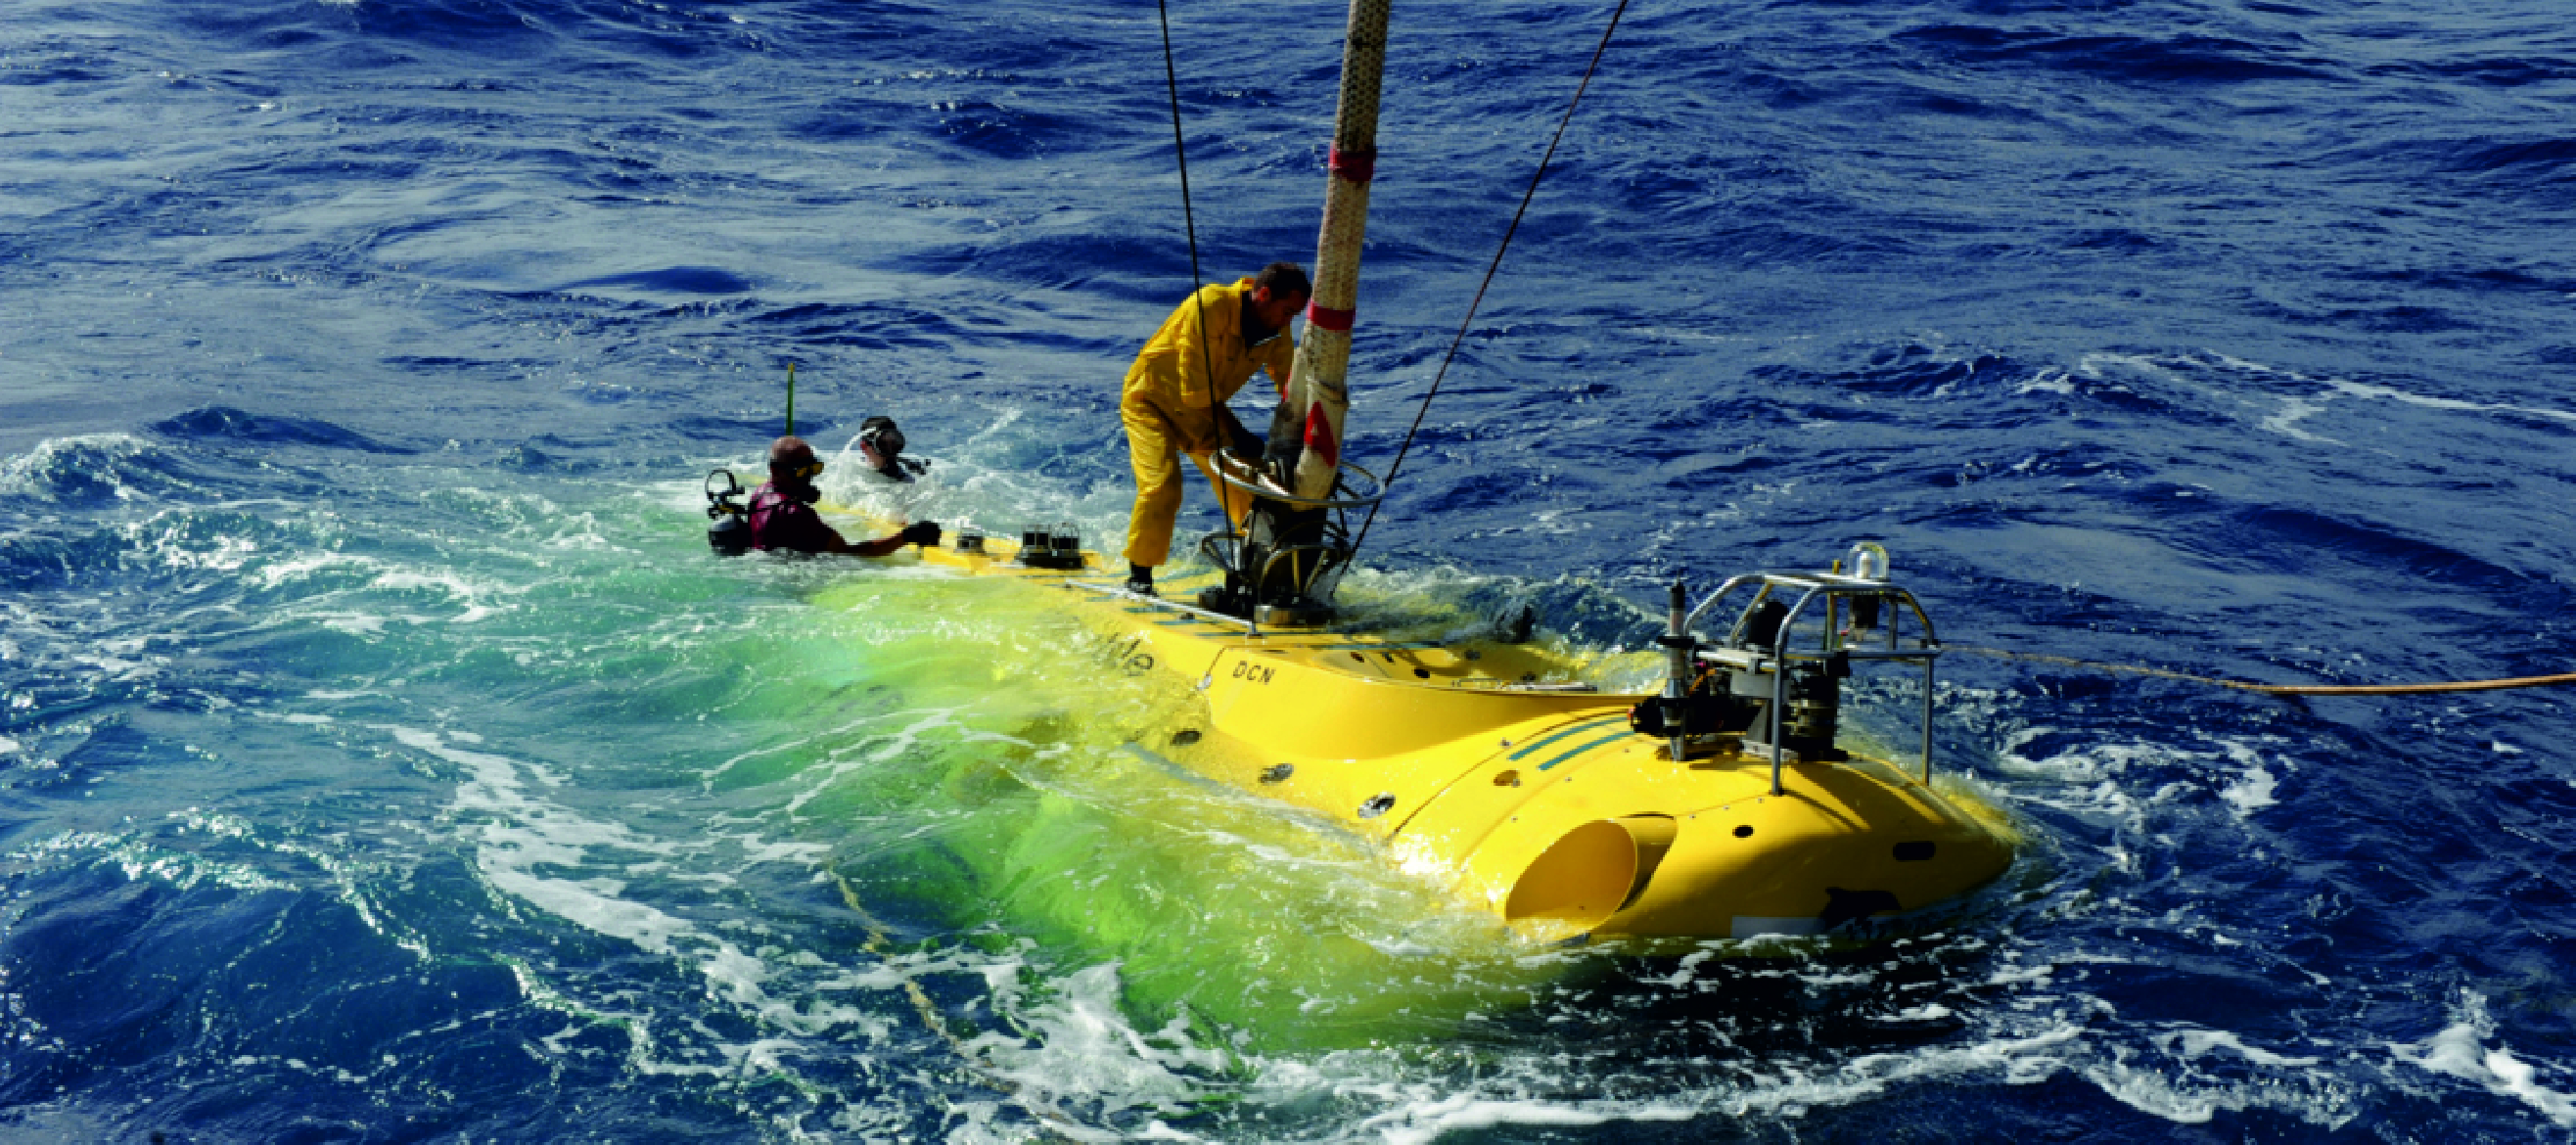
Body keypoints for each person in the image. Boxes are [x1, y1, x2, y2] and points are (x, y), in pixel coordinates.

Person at [1119, 261, 1309, 596]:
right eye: (1287, 311)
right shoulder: (1209, 305)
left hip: (1204, 415)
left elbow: (1288, 384)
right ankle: (1140, 576)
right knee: (1162, 485)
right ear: (1263, 294)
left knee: (1252, 490)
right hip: (1152, 401)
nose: (1288, 321)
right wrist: (1237, 433)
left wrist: (1309, 432)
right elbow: (1194, 392)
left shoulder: (1275, 329)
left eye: (1295, 315)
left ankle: (1258, 575)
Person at [749, 435, 940, 556]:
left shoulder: (759, 494)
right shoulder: (794, 514)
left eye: (814, 469)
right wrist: (906, 537)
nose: (808, 478)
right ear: (775, 471)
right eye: (800, 472)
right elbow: (849, 553)